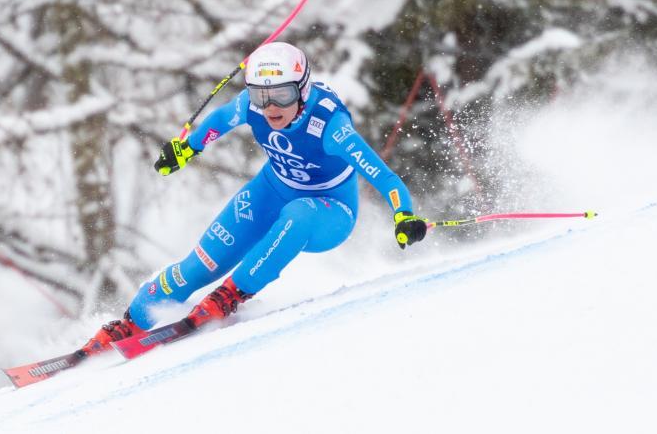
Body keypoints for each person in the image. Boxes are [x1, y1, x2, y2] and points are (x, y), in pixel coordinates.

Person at [79, 41, 427, 355]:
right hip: (271, 191)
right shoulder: (253, 107)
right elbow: (220, 119)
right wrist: (186, 149)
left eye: (282, 95)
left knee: (299, 213)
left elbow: (384, 177)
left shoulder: (331, 125)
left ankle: (231, 294)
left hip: (329, 213)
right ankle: (131, 322)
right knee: (199, 266)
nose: (271, 107)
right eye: (261, 96)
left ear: (303, 90)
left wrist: (404, 215)